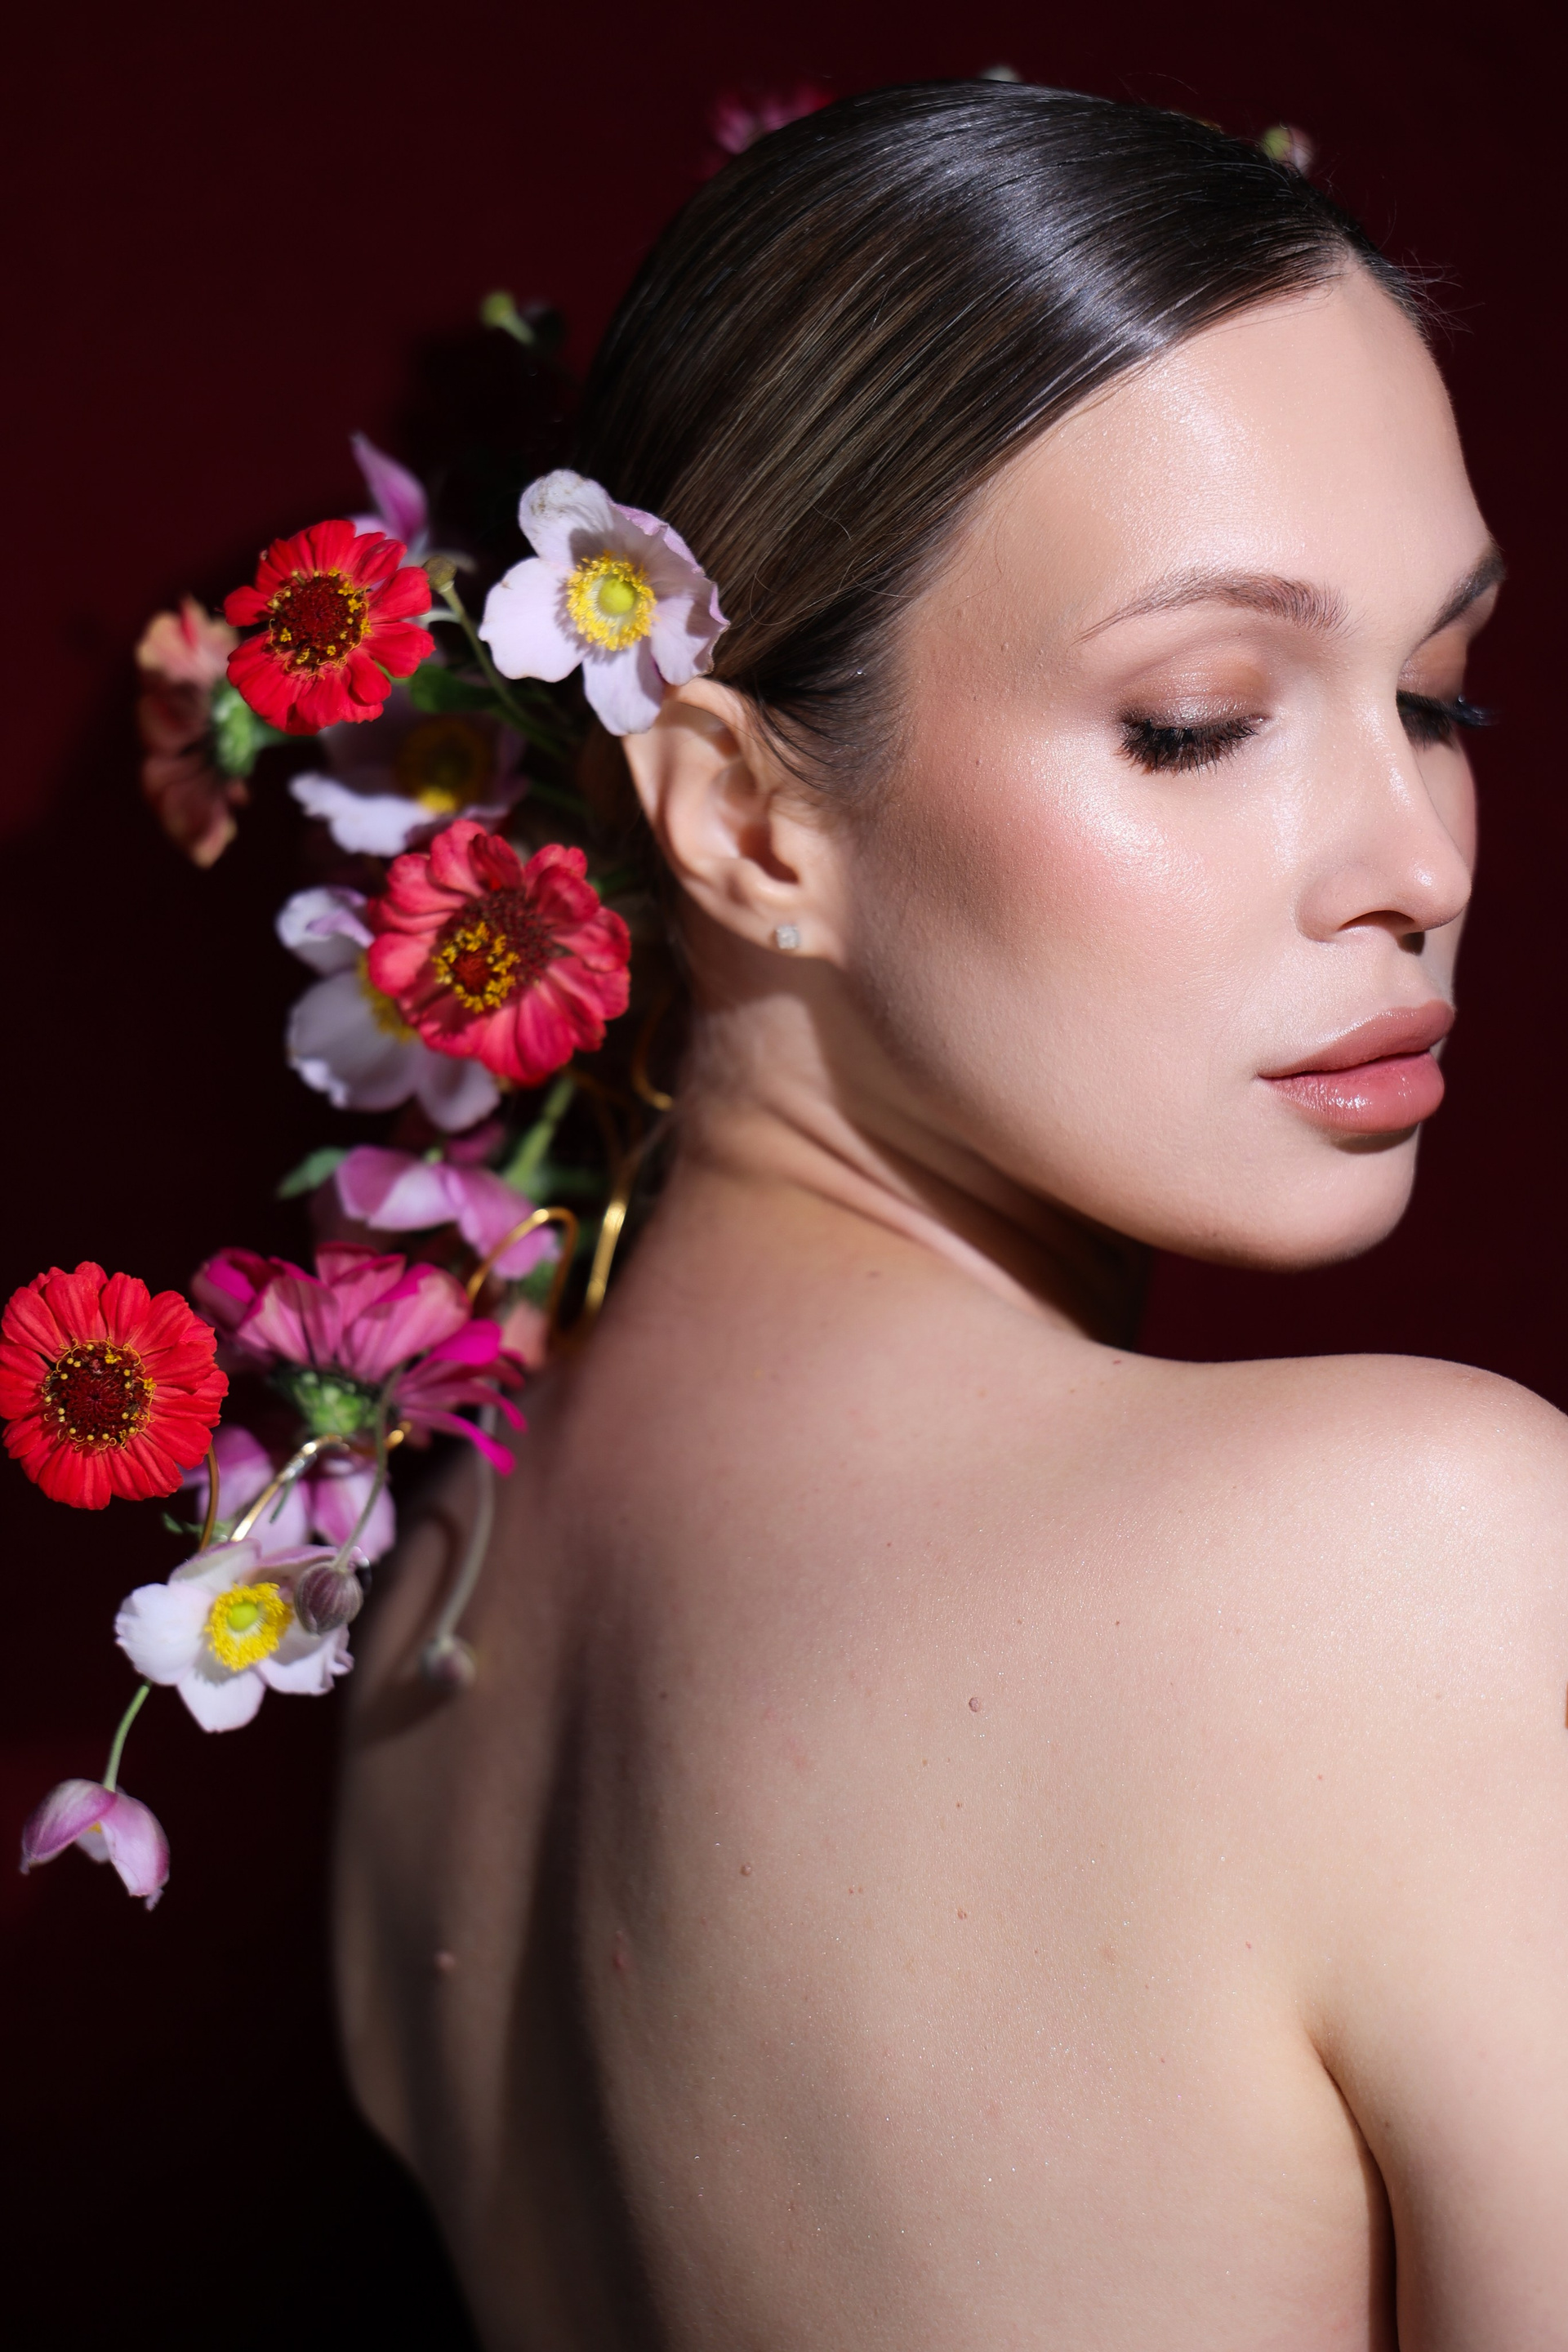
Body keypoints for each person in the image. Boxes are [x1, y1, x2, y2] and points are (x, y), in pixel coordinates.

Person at [335, 82, 1566, 2350]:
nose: (1419, 861)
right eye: (1198, 721)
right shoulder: (1414, 1563)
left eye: (1438, 697)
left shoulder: (428, 1607)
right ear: (744, 821)